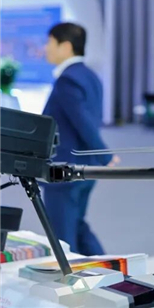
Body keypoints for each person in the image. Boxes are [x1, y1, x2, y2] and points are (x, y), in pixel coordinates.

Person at [42, 23, 117, 255]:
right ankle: (112, 269)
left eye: (50, 42)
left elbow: (82, 120)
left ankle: (72, 276)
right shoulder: (90, 76)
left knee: (63, 236)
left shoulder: (67, 80)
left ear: (65, 46)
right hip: (85, 169)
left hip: (65, 170)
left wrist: (105, 154)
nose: (46, 48)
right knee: (78, 226)